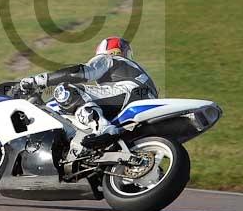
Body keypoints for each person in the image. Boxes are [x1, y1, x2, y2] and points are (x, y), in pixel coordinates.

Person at [20, 36, 158, 150]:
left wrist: (40, 80)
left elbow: (80, 73)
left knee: (65, 90)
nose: (126, 56)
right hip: (141, 102)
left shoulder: (108, 59)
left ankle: (101, 127)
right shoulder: (136, 70)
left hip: (128, 92)